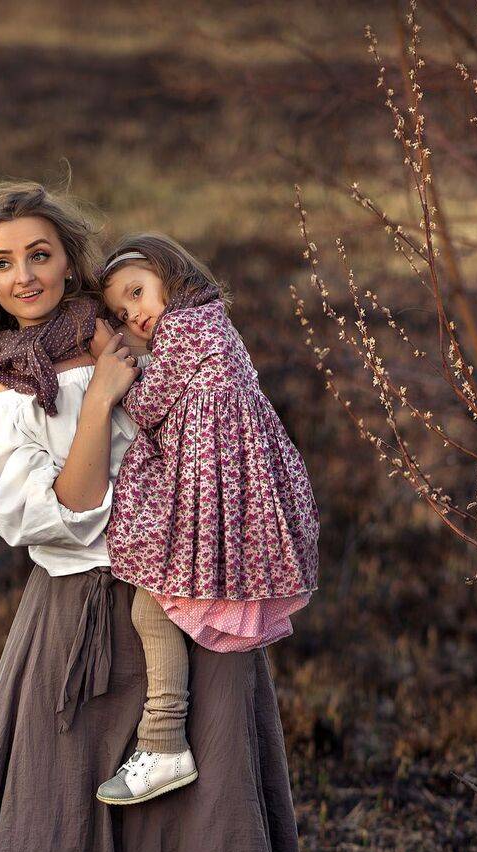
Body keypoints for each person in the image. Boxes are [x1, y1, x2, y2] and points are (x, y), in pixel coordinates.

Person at [0, 180, 308, 852]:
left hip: (188, 591)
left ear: (71, 259)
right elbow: (60, 514)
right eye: (3, 262)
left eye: (41, 254)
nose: (25, 275)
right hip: (81, 611)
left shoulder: (139, 332)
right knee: (91, 805)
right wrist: (99, 401)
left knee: (206, 804)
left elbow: (220, 420)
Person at [93, 233, 320, 809]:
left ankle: (165, 741)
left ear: (171, 274)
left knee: (152, 602)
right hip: (225, 490)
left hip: (211, 492)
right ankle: (165, 740)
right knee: (159, 603)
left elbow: (144, 405)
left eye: (138, 293)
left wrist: (108, 364)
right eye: (122, 313)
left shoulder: (189, 328)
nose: (136, 315)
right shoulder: (209, 326)